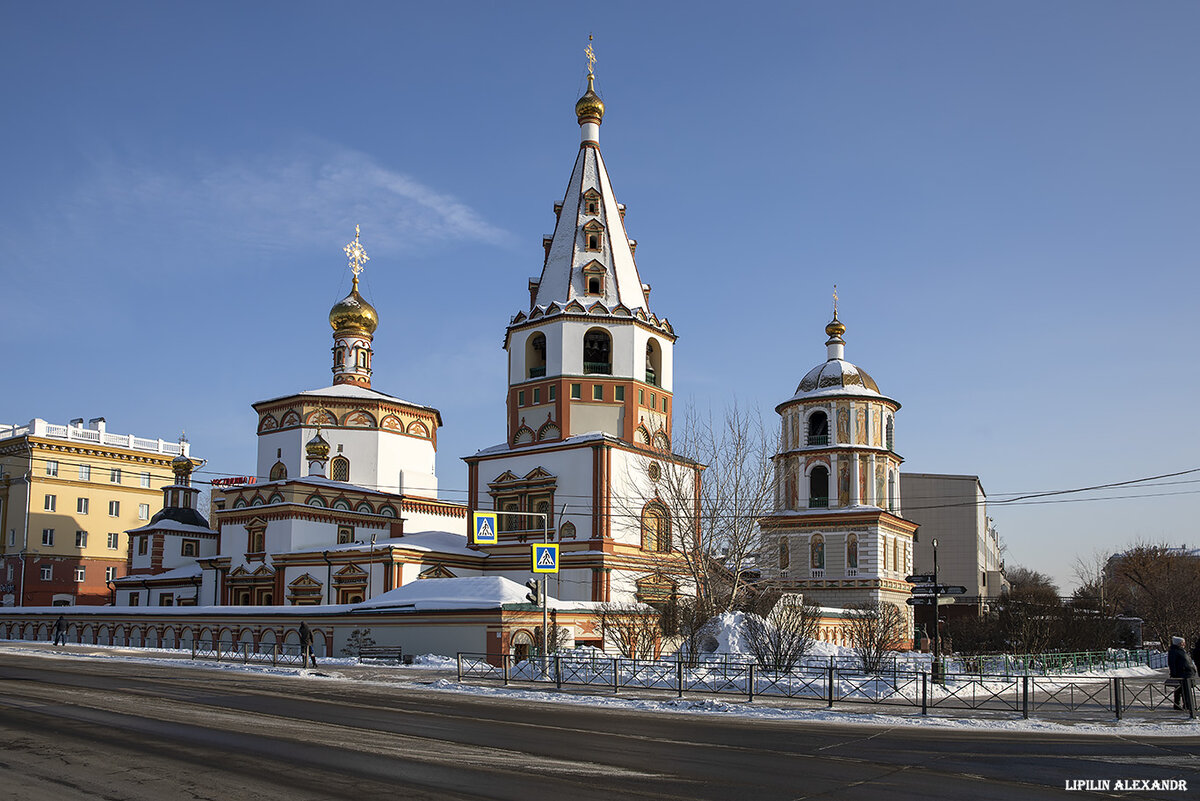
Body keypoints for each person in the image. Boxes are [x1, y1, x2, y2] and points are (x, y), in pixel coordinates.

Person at [1167, 636, 1197, 711]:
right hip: (1182, 674)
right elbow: (1172, 663)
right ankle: (1187, 705)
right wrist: (1174, 674)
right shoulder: (1175, 651)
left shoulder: (1181, 650)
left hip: (1186, 673)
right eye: (1182, 643)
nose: (1184, 644)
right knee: (1184, 690)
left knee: (1181, 690)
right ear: (1179, 643)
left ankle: (1181, 705)